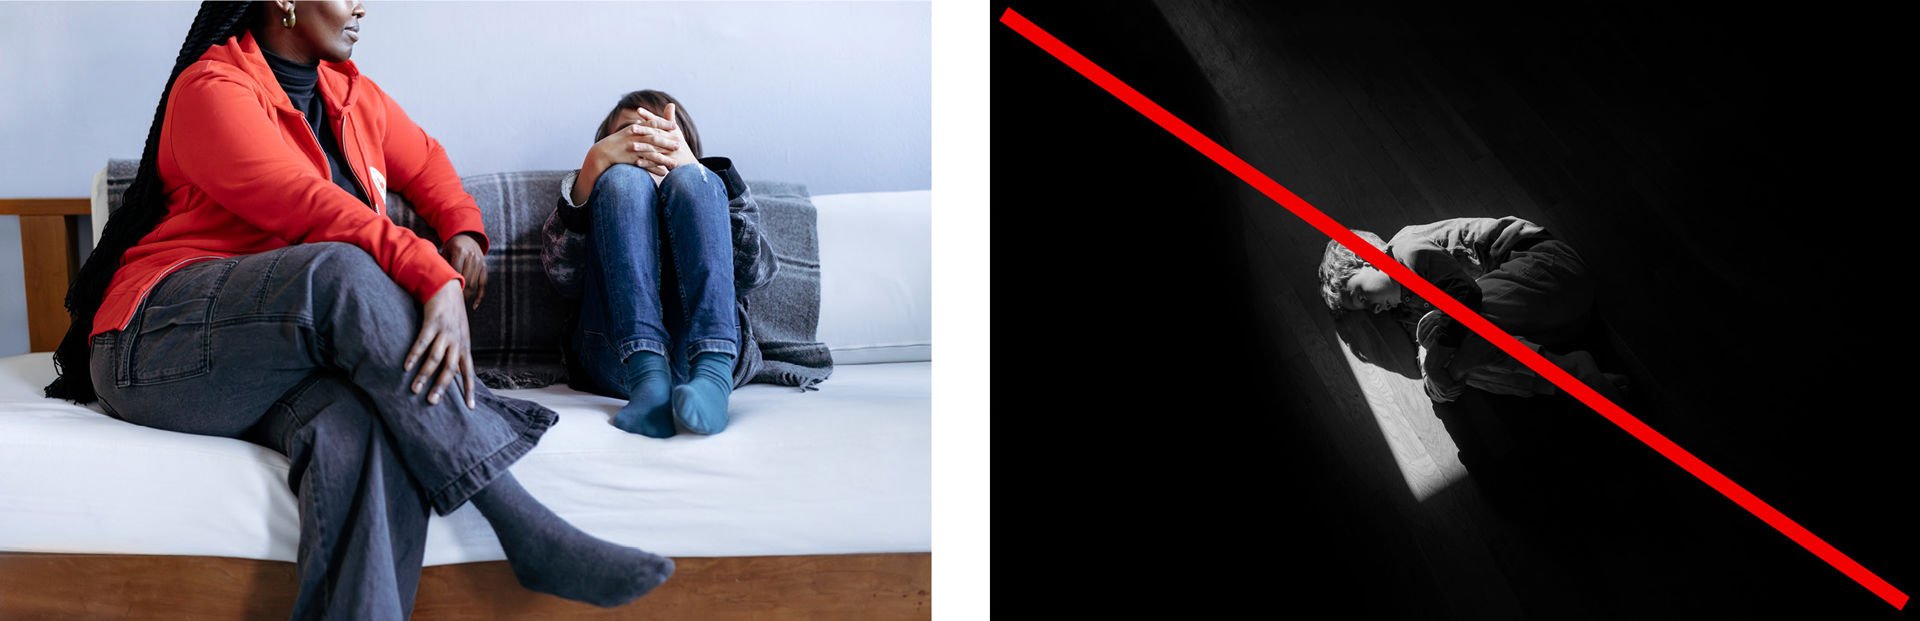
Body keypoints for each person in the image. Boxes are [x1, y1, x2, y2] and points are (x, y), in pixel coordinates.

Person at [43, 2, 671, 616]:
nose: (362, 9)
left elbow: (425, 160)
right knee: (342, 266)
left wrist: (462, 231)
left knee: (363, 426)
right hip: (161, 338)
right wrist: (431, 274)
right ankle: (518, 519)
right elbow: (303, 204)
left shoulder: (350, 95)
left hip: (265, 355)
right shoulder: (211, 89)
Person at [540, 90, 779, 438]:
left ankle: (712, 377)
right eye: (629, 133)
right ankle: (647, 379)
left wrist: (696, 173)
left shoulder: (707, 187)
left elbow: (757, 275)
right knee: (625, 182)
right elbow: (564, 280)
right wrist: (592, 174)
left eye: (659, 130)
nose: (645, 140)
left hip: (713, 354)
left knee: (695, 181)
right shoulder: (596, 192)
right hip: (614, 359)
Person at [1316, 216, 1625, 402]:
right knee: (1450, 353)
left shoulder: (1405, 249)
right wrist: (1437, 380)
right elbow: (1437, 358)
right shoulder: (1407, 311)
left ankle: (1581, 378)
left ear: (1369, 257)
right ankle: (1572, 379)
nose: (1374, 309)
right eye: (1367, 311)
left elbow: (1466, 296)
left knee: (1442, 334)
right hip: (1559, 323)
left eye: (1361, 295)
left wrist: (1436, 361)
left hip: (1551, 270)